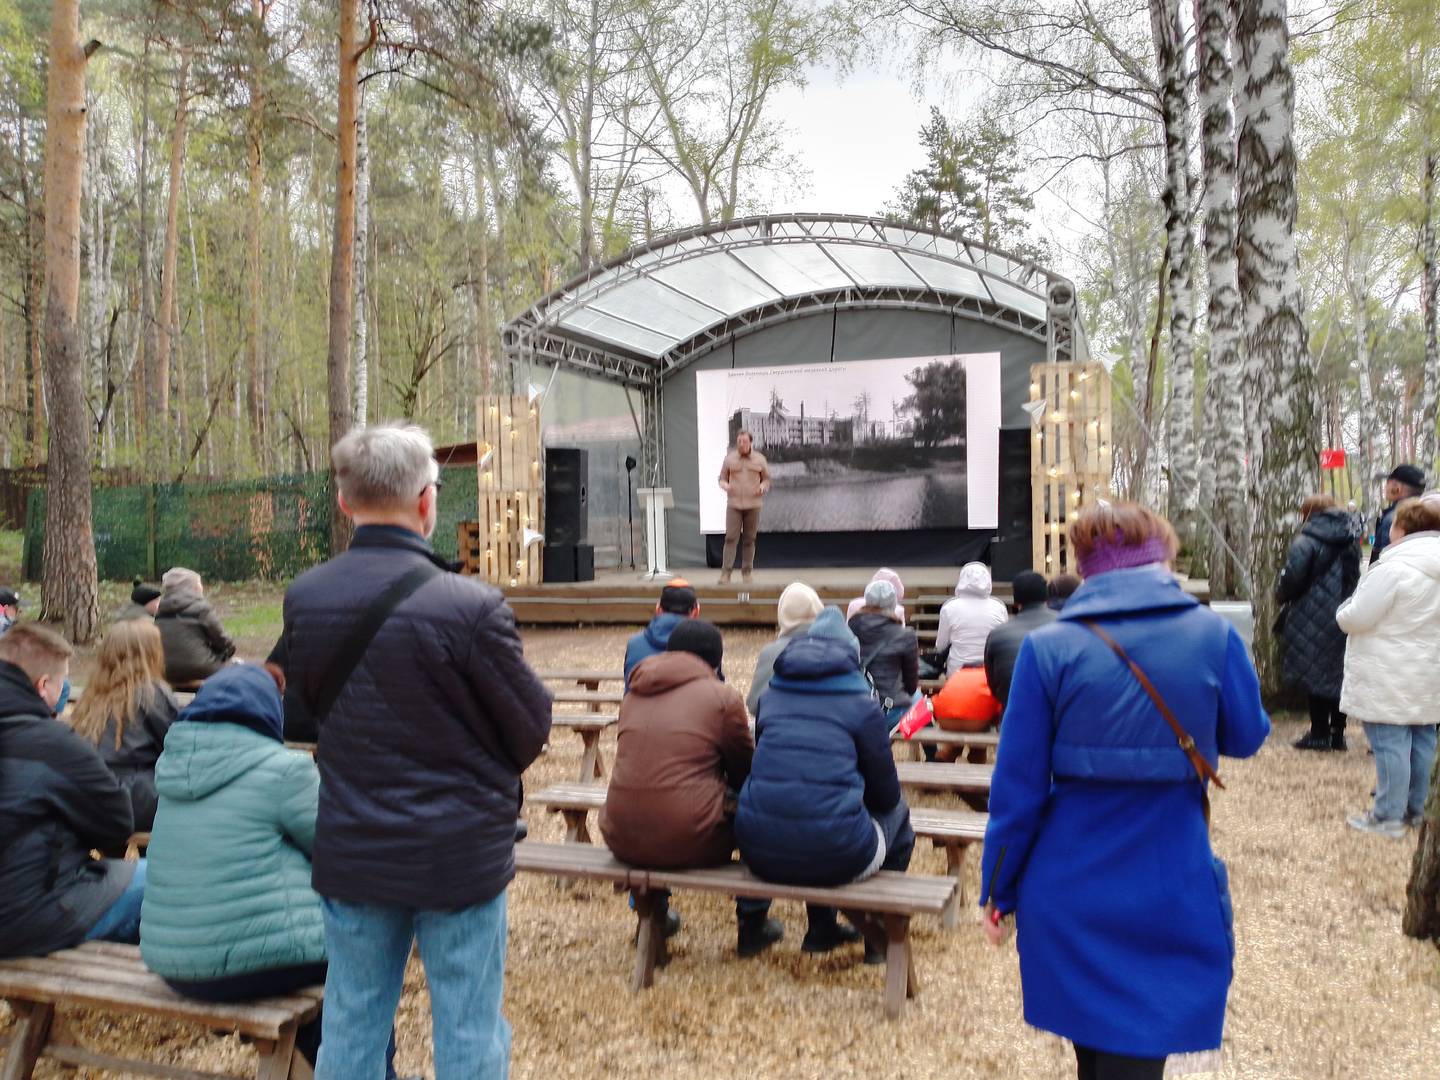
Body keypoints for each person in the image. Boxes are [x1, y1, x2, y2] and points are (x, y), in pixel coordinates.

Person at [269, 422, 551, 1080]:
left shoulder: (305, 599)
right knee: (469, 1027)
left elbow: (303, 711)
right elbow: (530, 727)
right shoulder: (472, 606)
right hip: (458, 854)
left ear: (345, 503)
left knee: (352, 1022)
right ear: (428, 503)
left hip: (354, 845)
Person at [979, 501, 1270, 1079]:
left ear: (1086, 567)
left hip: (1070, 883)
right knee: (1139, 1052)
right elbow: (1246, 736)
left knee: (1095, 1050)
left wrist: (998, 890)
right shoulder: (1212, 634)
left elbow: (1017, 791)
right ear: (1161, 556)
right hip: (1170, 878)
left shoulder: (1049, 648)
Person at [140, 665, 402, 1078]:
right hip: (256, 962)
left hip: (175, 964)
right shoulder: (284, 769)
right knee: (365, 958)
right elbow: (341, 854)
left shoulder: (173, 773)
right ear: (267, 710)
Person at [736, 607, 915, 961]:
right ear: (852, 655)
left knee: (807, 806)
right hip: (838, 854)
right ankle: (878, 936)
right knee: (897, 815)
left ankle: (818, 928)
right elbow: (886, 794)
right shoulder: (861, 706)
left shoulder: (771, 699)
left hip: (759, 850)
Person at [601, 620, 783, 957]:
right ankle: (753, 922)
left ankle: (654, 916)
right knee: (759, 812)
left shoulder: (634, 693)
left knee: (663, 802)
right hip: (687, 835)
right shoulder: (722, 697)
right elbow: (746, 773)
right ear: (716, 662)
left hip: (619, 832)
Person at [0, 623, 144, 958]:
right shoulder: (51, 744)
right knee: (173, 880)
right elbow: (117, 822)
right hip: (26, 919)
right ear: (43, 686)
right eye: (63, 679)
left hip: (19, 904)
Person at [1336, 496, 1440, 838]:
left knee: (1389, 744)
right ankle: (1416, 808)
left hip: (1387, 669)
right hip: (1428, 668)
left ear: (1404, 527)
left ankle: (1387, 816)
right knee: (1423, 740)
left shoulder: (1394, 568)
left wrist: (1344, 610)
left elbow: (1357, 617)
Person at [69, 618, 179, 833]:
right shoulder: (150, 693)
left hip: (90, 797)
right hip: (133, 799)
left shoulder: (92, 694)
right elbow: (176, 746)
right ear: (151, 653)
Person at [1276, 494, 1361, 751]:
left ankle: (1319, 732)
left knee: (1313, 670)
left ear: (1308, 512)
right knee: (1337, 670)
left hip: (1309, 611)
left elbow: (1292, 578)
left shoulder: (1307, 540)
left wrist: (1280, 592)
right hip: (1344, 610)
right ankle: (1337, 732)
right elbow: (1354, 575)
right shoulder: (1350, 537)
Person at [847, 578, 920, 726]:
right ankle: (934, 749)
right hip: (890, 709)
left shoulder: (850, 627)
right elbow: (911, 685)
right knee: (918, 698)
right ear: (894, 604)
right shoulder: (905, 635)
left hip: (856, 707)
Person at [746, 581, 823, 715]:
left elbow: (755, 704)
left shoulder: (773, 652)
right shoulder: (838, 647)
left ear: (782, 612)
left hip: (782, 731)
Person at [983, 570, 1057, 708]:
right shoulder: (1066, 625)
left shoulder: (997, 634)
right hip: (1058, 714)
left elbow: (993, 685)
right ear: (1047, 597)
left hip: (1013, 710)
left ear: (1015, 600)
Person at [156, 567, 237, 686]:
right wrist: (226, 653)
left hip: (166, 669)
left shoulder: (159, 609)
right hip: (200, 669)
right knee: (240, 670)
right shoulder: (201, 608)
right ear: (193, 587)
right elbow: (223, 641)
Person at [623, 579, 700, 689]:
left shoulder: (634, 644)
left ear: (658, 609)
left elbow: (629, 685)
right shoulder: (707, 646)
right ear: (695, 612)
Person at [935, 562, 1008, 676]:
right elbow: (1004, 641)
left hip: (957, 673)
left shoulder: (949, 607)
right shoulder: (999, 607)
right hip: (989, 673)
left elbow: (940, 646)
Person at [717, 429, 769, 584]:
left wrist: (763, 487)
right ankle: (726, 574)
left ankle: (747, 572)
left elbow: (766, 480)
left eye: (744, 442)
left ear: (751, 442)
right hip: (734, 505)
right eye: (739, 442)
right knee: (731, 538)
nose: (741, 444)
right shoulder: (729, 459)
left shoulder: (760, 459)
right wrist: (724, 485)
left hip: (753, 505)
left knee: (749, 540)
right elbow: (721, 479)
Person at [1371, 464, 1425, 563]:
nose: (1385, 487)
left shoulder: (1395, 518)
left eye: (1388, 482)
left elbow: (1385, 562)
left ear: (1397, 488)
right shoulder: (1431, 514)